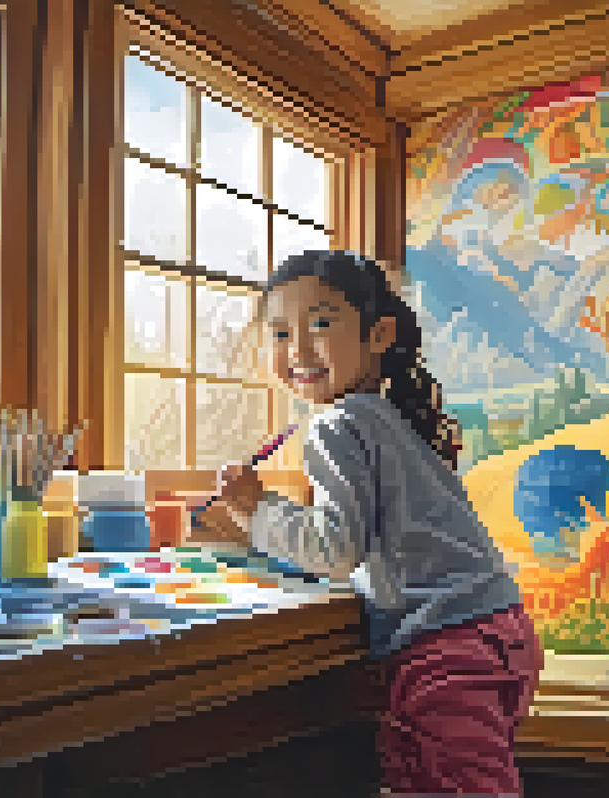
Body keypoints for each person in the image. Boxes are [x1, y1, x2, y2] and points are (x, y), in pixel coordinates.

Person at [193, 250, 542, 796]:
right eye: (280, 333)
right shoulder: (387, 417)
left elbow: (336, 549)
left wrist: (256, 507)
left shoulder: (335, 425)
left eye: (320, 324)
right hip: (498, 631)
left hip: (446, 645)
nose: (298, 350)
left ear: (378, 334)